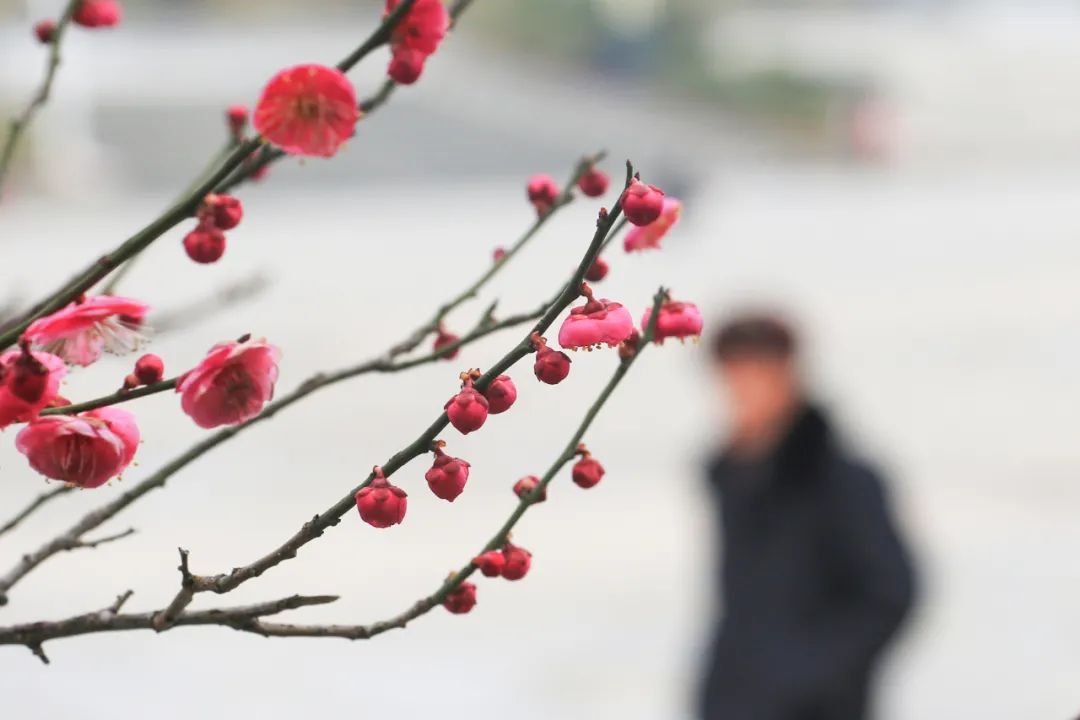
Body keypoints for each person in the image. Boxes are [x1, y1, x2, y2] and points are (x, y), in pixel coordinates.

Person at [698, 314, 916, 720]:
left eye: (756, 375)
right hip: (732, 699)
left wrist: (807, 673)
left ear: (788, 373)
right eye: (733, 377)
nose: (742, 392)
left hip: (819, 706)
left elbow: (891, 594)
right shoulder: (732, 474)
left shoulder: (844, 480)